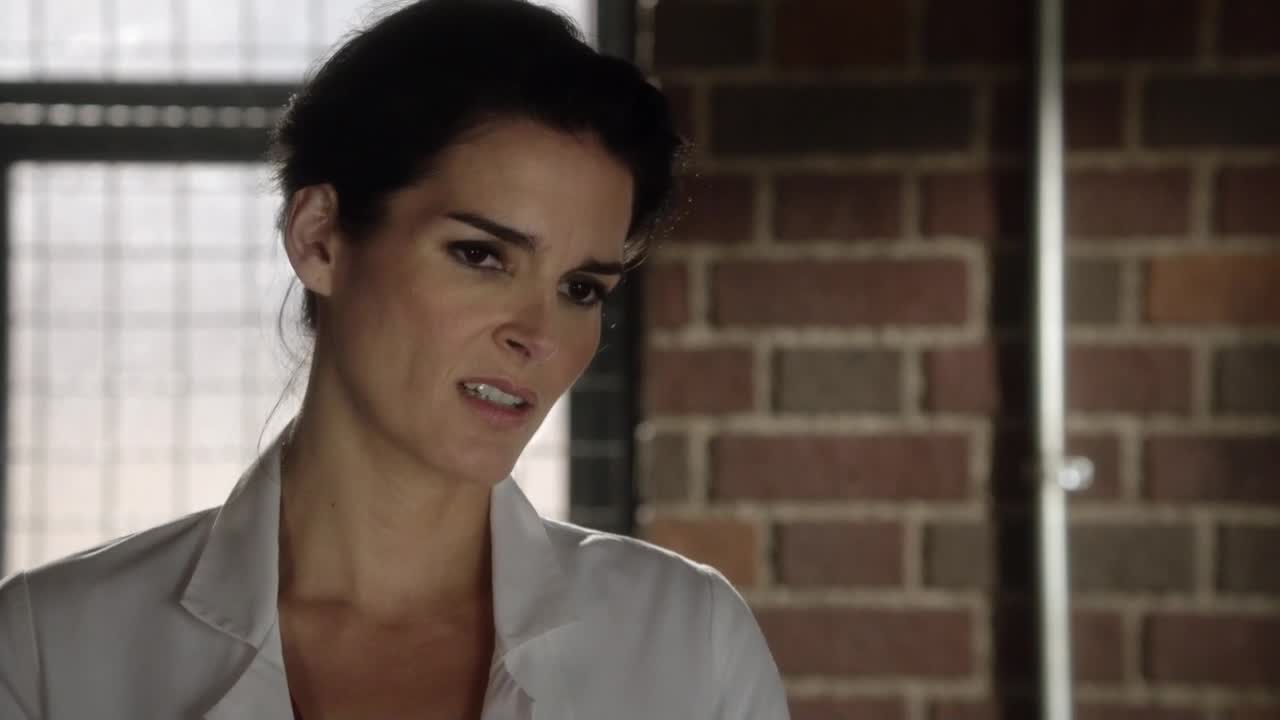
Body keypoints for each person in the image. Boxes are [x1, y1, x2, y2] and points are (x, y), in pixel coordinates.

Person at [0, 0, 789, 718]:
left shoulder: (688, 645)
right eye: (481, 255)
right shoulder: (48, 651)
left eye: (580, 288)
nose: (539, 335)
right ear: (320, 238)